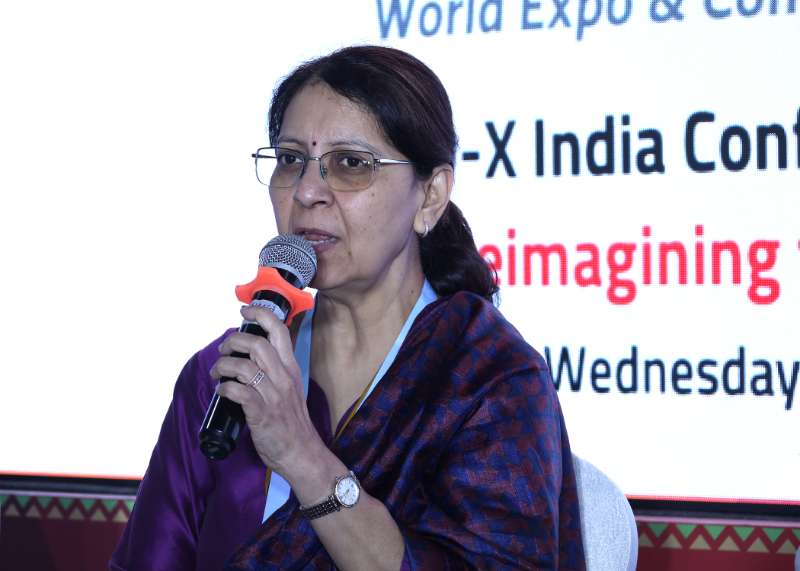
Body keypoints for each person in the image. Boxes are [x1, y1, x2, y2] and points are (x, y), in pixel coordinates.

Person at [110, 45, 585, 571]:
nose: (307, 191)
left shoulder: (487, 380)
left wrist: (302, 455)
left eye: (351, 164)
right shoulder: (226, 378)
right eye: (291, 160)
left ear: (430, 196)